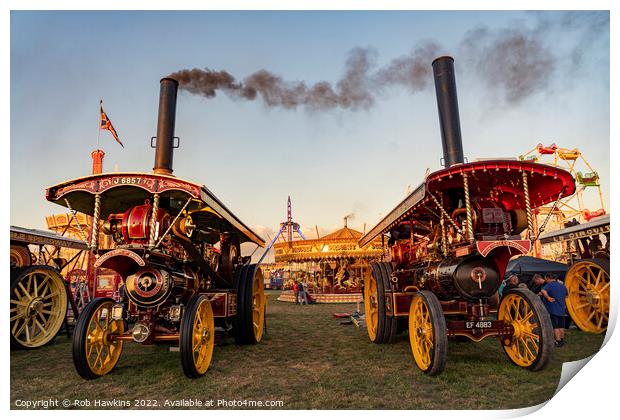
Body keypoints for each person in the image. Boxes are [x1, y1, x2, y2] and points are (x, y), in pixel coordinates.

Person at [539, 274, 569, 347]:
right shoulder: (562, 286)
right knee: (561, 326)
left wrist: (548, 297)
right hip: (562, 309)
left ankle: (558, 341)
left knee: (555, 326)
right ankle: (561, 340)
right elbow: (567, 295)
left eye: (545, 278)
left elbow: (543, 291)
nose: (545, 280)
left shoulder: (549, 285)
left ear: (548, 278)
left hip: (553, 309)